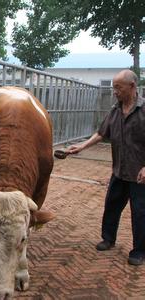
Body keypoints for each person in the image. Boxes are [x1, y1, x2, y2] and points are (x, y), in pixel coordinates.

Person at [66, 69, 145, 266]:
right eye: (113, 87)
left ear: (132, 87)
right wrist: (82, 146)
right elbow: (102, 133)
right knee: (111, 205)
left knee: (140, 212)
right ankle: (108, 238)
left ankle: (139, 251)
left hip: (139, 173)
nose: (114, 91)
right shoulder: (115, 110)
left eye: (118, 87)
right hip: (119, 170)